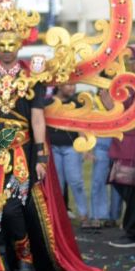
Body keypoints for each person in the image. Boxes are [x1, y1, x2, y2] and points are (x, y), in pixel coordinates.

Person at [0, 0, 105, 271]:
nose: (7, 49)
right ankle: (1, 266)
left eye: (12, 43)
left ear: (20, 41)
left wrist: (42, 156)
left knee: (13, 208)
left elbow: (37, 119)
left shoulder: (33, 75)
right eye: (2, 43)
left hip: (21, 152)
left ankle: (27, 261)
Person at [108, 43, 135, 248]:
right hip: (121, 140)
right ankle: (133, 227)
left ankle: (134, 231)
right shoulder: (123, 83)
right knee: (121, 184)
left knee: (129, 186)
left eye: (129, 60)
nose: (125, 64)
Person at [47, 84, 87, 224]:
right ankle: (59, 217)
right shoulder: (48, 103)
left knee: (76, 181)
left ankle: (84, 215)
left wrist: (85, 147)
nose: (72, 88)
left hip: (72, 148)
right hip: (53, 148)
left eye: (74, 85)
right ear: (59, 85)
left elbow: (80, 125)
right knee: (58, 184)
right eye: (69, 85)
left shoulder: (75, 103)